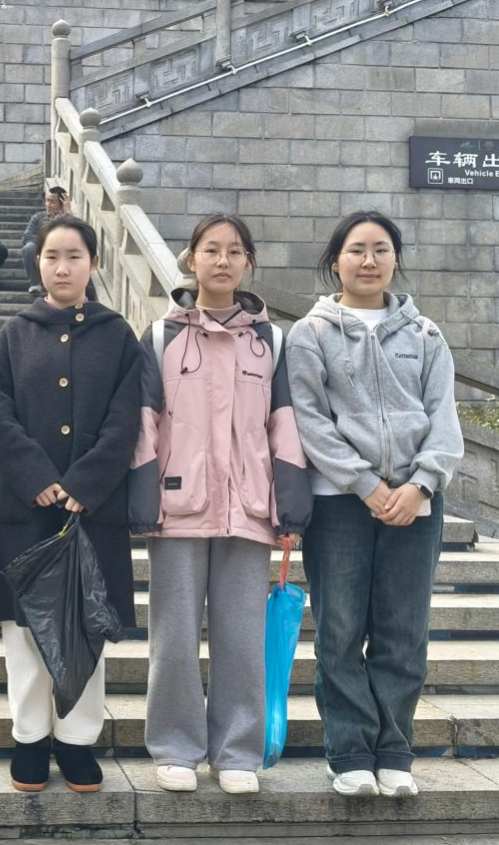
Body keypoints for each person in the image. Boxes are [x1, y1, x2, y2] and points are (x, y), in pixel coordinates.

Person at [128, 215, 312, 795]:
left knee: (241, 637)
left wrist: (290, 507)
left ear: (248, 262)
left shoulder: (271, 341)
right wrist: (142, 498)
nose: (223, 260)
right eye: (211, 250)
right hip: (178, 505)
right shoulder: (161, 337)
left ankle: (237, 752)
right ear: (192, 259)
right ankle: (175, 747)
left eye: (235, 251)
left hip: (248, 507)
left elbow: (286, 425)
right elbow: (144, 424)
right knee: (174, 637)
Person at [286, 211, 463, 799]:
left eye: (381, 249)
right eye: (357, 249)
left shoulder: (425, 334)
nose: (369, 260)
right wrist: (365, 484)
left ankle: (394, 751)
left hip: (416, 503)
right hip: (340, 502)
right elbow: (311, 421)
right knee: (339, 631)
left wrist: (422, 484)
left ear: (395, 259)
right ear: (335, 260)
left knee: (403, 633)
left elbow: (444, 417)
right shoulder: (310, 334)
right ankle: (350, 752)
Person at [0, 215, 141, 794]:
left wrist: (85, 482)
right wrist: (36, 476)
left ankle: (76, 740)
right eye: (52, 256)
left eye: (75, 256)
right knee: (25, 632)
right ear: (38, 262)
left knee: (86, 624)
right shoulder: (13, 335)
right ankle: (29, 737)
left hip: (90, 511)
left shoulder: (117, 336)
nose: (63, 267)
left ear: (93, 264)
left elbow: (126, 419)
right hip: (27, 509)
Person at [22, 186, 69, 296]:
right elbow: (26, 236)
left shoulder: (67, 220)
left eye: (52, 202)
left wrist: (66, 213)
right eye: (47, 201)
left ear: (61, 203)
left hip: (60, 254)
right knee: (29, 247)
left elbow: (72, 238)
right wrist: (45, 244)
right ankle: (35, 284)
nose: (48, 204)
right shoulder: (38, 217)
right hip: (41, 252)